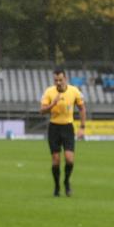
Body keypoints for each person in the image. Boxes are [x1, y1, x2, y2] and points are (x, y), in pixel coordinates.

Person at [40, 69, 86, 197]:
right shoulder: (49, 92)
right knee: (55, 160)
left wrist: (82, 127)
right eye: (56, 80)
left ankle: (66, 182)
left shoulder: (74, 91)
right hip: (54, 128)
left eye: (60, 79)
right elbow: (42, 111)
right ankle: (57, 187)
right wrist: (52, 104)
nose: (58, 82)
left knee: (69, 159)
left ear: (65, 78)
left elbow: (82, 108)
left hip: (68, 128)